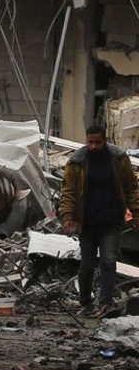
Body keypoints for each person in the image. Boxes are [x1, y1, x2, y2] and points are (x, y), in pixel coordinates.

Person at [60, 122, 139, 314]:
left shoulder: (118, 159)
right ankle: (85, 303)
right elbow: (68, 191)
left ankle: (105, 303)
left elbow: (131, 187)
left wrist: (136, 212)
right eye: (90, 142)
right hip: (87, 223)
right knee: (87, 265)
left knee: (108, 262)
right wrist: (67, 216)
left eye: (98, 142)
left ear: (105, 140)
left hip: (111, 221)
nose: (94, 146)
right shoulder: (77, 162)